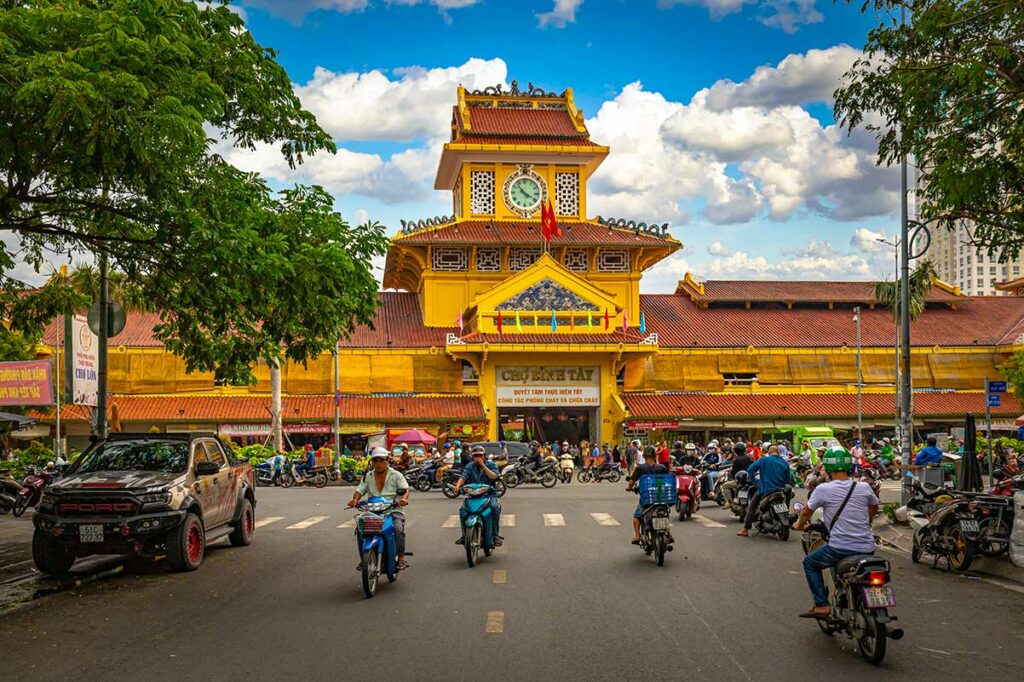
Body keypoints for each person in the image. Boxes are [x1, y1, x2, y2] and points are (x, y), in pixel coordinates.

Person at [792, 446, 879, 618]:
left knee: (810, 563)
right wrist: (866, 521)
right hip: (867, 547)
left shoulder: (823, 489)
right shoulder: (863, 487)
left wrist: (799, 524)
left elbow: (807, 512)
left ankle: (822, 605)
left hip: (839, 548)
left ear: (828, 468)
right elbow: (873, 508)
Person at [347, 447, 411, 570]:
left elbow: (405, 490)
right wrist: (355, 500)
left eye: (381, 460)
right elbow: (359, 491)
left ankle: (401, 558)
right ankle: (363, 558)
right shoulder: (368, 476)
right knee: (360, 530)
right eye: (375, 461)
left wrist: (403, 499)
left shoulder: (396, 475)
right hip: (372, 511)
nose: (378, 463)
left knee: (398, 528)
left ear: (387, 461)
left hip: (392, 510)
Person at [453, 445, 503, 547]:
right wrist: (457, 486)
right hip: (472, 495)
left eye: (480, 455)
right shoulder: (470, 466)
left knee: (494, 508)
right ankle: (464, 535)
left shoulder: (491, 464)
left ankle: (495, 536)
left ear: (484, 456)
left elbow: (494, 476)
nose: (478, 458)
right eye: (475, 456)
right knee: (463, 510)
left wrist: (483, 466)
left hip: (489, 494)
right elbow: (463, 476)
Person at [737, 445, 791, 537]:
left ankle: (745, 529)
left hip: (765, 489)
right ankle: (786, 514)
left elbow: (750, 469)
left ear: (769, 452)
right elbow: (788, 479)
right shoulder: (784, 462)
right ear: (777, 452)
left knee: (751, 507)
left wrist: (755, 482)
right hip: (780, 490)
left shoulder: (763, 460)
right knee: (787, 497)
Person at [626, 453, 671, 545]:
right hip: (660, 496)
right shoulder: (662, 467)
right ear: (655, 457)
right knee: (664, 514)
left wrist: (629, 488)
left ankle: (638, 536)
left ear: (644, 456)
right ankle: (669, 534)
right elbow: (667, 480)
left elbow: (632, 481)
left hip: (647, 498)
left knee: (637, 516)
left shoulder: (640, 468)